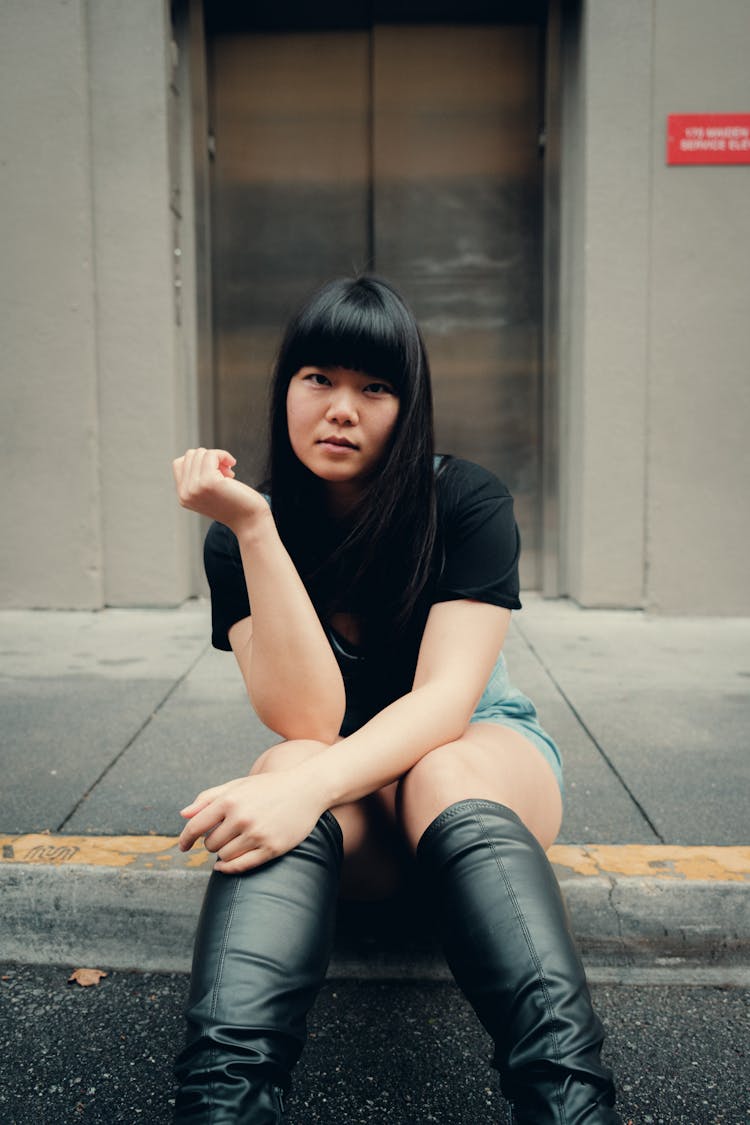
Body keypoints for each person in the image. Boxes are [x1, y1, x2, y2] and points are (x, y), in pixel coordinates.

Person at [170, 276, 620, 1124]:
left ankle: (571, 1108)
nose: (343, 408)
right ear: (286, 390)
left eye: (375, 387)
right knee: (291, 755)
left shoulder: (465, 500)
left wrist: (303, 788)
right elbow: (309, 718)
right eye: (320, 379)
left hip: (479, 762)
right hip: (361, 802)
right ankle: (221, 1107)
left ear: (408, 408)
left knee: (431, 771)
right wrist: (257, 529)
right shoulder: (241, 537)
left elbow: (450, 701)